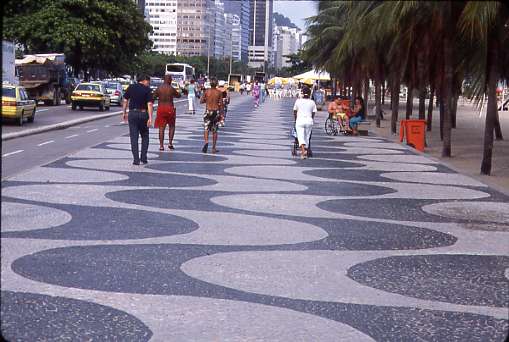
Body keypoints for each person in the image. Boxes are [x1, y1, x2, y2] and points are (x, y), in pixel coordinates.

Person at [122, 74, 153, 165]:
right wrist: (150, 118)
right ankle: (143, 157)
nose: (149, 83)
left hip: (132, 114)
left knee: (134, 137)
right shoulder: (147, 90)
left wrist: (124, 112)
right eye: (148, 81)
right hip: (143, 114)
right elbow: (150, 104)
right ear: (144, 80)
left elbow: (125, 100)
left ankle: (136, 159)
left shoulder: (131, 87)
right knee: (145, 136)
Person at [153, 74, 181, 151]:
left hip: (161, 108)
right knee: (172, 126)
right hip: (170, 108)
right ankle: (170, 143)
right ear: (169, 80)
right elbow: (178, 95)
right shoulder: (171, 88)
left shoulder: (159, 88)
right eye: (171, 79)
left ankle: (161, 146)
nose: (171, 81)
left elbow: (153, 97)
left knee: (161, 128)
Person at [200, 78, 223, 153]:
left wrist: (207, 100)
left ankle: (206, 142)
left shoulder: (207, 91)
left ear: (210, 84)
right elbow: (221, 104)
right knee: (215, 130)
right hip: (215, 112)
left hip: (208, 111)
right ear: (216, 84)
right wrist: (222, 114)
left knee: (206, 128)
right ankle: (213, 148)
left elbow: (201, 101)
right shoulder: (219, 92)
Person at [293, 86, 316, 159]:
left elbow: (295, 111)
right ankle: (305, 151)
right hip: (309, 121)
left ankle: (303, 152)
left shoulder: (298, 101)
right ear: (309, 94)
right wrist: (311, 119)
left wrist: (296, 119)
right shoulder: (312, 102)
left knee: (300, 137)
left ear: (302, 93)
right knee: (307, 137)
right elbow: (313, 113)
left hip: (300, 120)